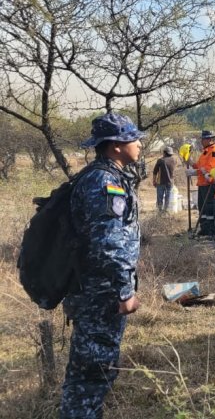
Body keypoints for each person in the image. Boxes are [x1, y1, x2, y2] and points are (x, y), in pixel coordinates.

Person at [61, 113, 145, 418]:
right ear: (117, 146)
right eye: (134, 139)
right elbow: (108, 243)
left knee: (88, 371)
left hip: (93, 290)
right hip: (100, 293)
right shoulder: (104, 181)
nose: (138, 144)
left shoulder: (104, 175)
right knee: (93, 374)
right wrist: (125, 291)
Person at [188, 130, 215, 236]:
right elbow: (199, 166)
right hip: (202, 184)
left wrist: (195, 171)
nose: (201, 141)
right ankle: (204, 228)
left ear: (209, 139)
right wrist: (190, 162)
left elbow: (208, 169)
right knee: (202, 207)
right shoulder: (205, 151)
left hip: (209, 184)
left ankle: (211, 229)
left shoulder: (214, 152)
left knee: (209, 207)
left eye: (203, 139)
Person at [152, 146, 177, 212]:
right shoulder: (174, 160)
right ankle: (166, 211)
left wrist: (154, 181)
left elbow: (155, 172)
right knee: (167, 198)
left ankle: (160, 212)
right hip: (170, 182)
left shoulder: (160, 160)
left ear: (164, 153)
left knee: (160, 198)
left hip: (161, 182)